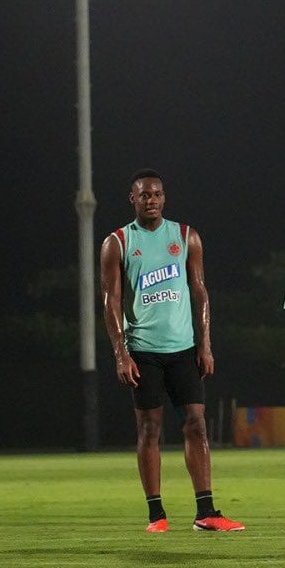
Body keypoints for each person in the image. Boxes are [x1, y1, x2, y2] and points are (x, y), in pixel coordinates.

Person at [100, 170, 244, 534]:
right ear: (132, 199)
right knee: (150, 428)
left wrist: (205, 344)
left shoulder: (186, 236)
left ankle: (206, 512)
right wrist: (121, 353)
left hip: (183, 351)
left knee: (196, 425)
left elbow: (200, 292)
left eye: (158, 194)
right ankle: (156, 514)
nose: (152, 200)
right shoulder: (117, 242)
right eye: (145, 195)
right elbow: (111, 301)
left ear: (165, 198)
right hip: (143, 351)